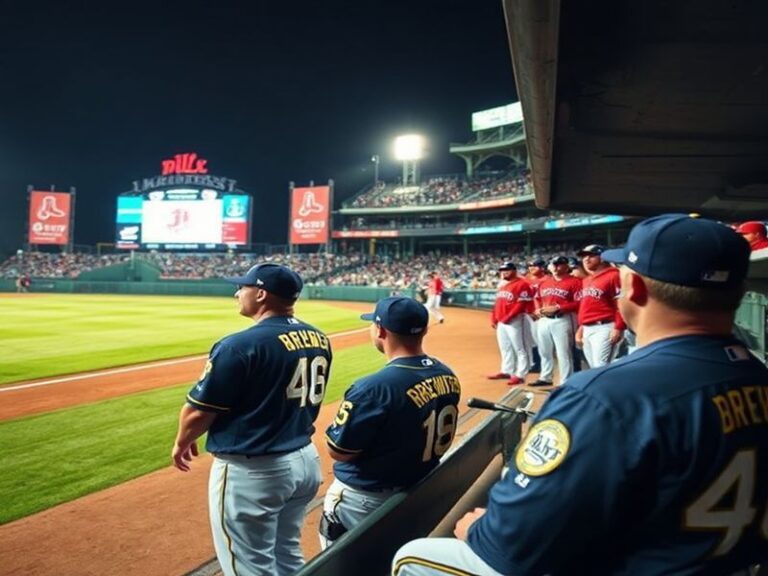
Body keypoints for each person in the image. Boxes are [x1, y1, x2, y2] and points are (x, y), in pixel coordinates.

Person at [391, 213, 768, 576]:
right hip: (728, 562)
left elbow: (511, 547)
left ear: (633, 287)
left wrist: (477, 529)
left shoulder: (605, 396)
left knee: (413, 556)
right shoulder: (757, 373)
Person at [171, 263, 332, 576]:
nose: (236, 293)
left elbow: (198, 411)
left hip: (255, 470)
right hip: (304, 460)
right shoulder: (318, 337)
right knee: (286, 553)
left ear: (260, 294)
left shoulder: (239, 345)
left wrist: (182, 440)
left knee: (247, 566)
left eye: (242, 287)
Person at [320, 296, 460, 548]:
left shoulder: (373, 388)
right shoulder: (446, 373)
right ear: (424, 330)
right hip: (418, 487)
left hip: (364, 499)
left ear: (381, 330)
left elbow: (340, 451)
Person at [531, 256, 582, 386]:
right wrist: (538, 309)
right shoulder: (545, 282)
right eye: (553, 264)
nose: (555, 267)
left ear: (566, 266)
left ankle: (565, 382)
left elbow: (580, 302)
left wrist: (560, 307)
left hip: (563, 319)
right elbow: (537, 298)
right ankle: (545, 377)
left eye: (559, 264)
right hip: (544, 320)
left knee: (563, 352)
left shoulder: (575, 282)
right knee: (544, 350)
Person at [575, 244, 626, 367]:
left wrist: (618, 327)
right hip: (587, 327)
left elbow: (621, 303)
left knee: (601, 366)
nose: (586, 259)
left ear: (602, 258)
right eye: (584, 256)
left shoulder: (614, 275)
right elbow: (587, 307)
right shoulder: (586, 280)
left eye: (591, 256)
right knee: (594, 368)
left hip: (605, 326)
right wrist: (581, 327)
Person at [487, 260, 532, 386]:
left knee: (521, 348)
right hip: (502, 321)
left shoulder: (522, 284)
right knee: (505, 347)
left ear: (514, 271)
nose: (504, 273)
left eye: (507, 270)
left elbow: (521, 304)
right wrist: (494, 318)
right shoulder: (503, 285)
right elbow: (497, 303)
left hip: (516, 320)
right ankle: (506, 370)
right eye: (502, 270)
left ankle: (520, 374)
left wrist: (510, 316)